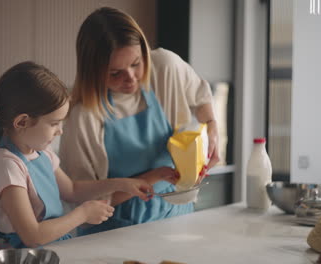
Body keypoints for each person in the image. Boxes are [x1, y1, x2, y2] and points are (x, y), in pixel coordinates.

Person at [59, 7, 220, 236]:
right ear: (92, 71)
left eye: (136, 63)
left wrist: (212, 128)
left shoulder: (164, 67)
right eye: (116, 73)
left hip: (177, 217)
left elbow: (201, 95)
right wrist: (152, 177)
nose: (131, 78)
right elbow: (85, 205)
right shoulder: (84, 118)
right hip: (116, 232)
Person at [0, 61, 153, 252]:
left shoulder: (41, 153)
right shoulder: (7, 165)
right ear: (22, 122)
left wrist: (121, 183)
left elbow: (72, 190)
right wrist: (83, 214)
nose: (60, 131)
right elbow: (32, 236)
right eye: (54, 123)